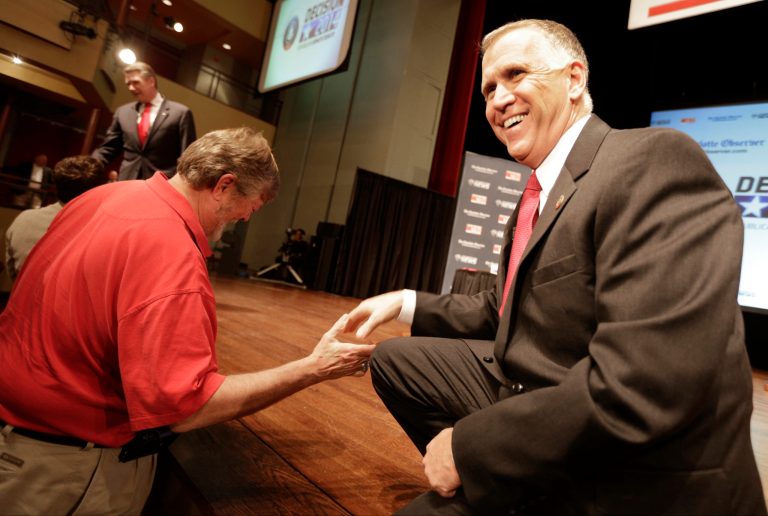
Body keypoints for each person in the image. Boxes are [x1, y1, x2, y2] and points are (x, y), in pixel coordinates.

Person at [345, 19, 766, 515]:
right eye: (488, 89)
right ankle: (511, 486)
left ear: (574, 80)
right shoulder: (539, 197)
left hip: (634, 470)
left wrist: (471, 448)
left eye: (516, 74)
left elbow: (645, 386)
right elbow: (500, 309)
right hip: (541, 393)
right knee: (395, 360)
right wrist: (403, 301)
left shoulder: (653, 162)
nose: (498, 100)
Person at [0, 127, 374, 514]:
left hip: (16, 440)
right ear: (224, 186)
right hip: (65, 470)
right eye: (252, 206)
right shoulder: (170, 249)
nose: (246, 217)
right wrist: (313, 368)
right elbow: (187, 407)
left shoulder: (101, 196)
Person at [5, 155, 106, 281]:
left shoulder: (23, 219)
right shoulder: (104, 232)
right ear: (99, 190)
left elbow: (13, 273)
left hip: (21, 298)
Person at [91, 61, 196, 180]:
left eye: (135, 82)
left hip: (161, 184)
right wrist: (87, 166)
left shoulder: (180, 113)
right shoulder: (122, 112)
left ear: (151, 81)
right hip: (127, 182)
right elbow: (108, 148)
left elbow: (188, 157)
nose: (131, 88)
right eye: (128, 84)